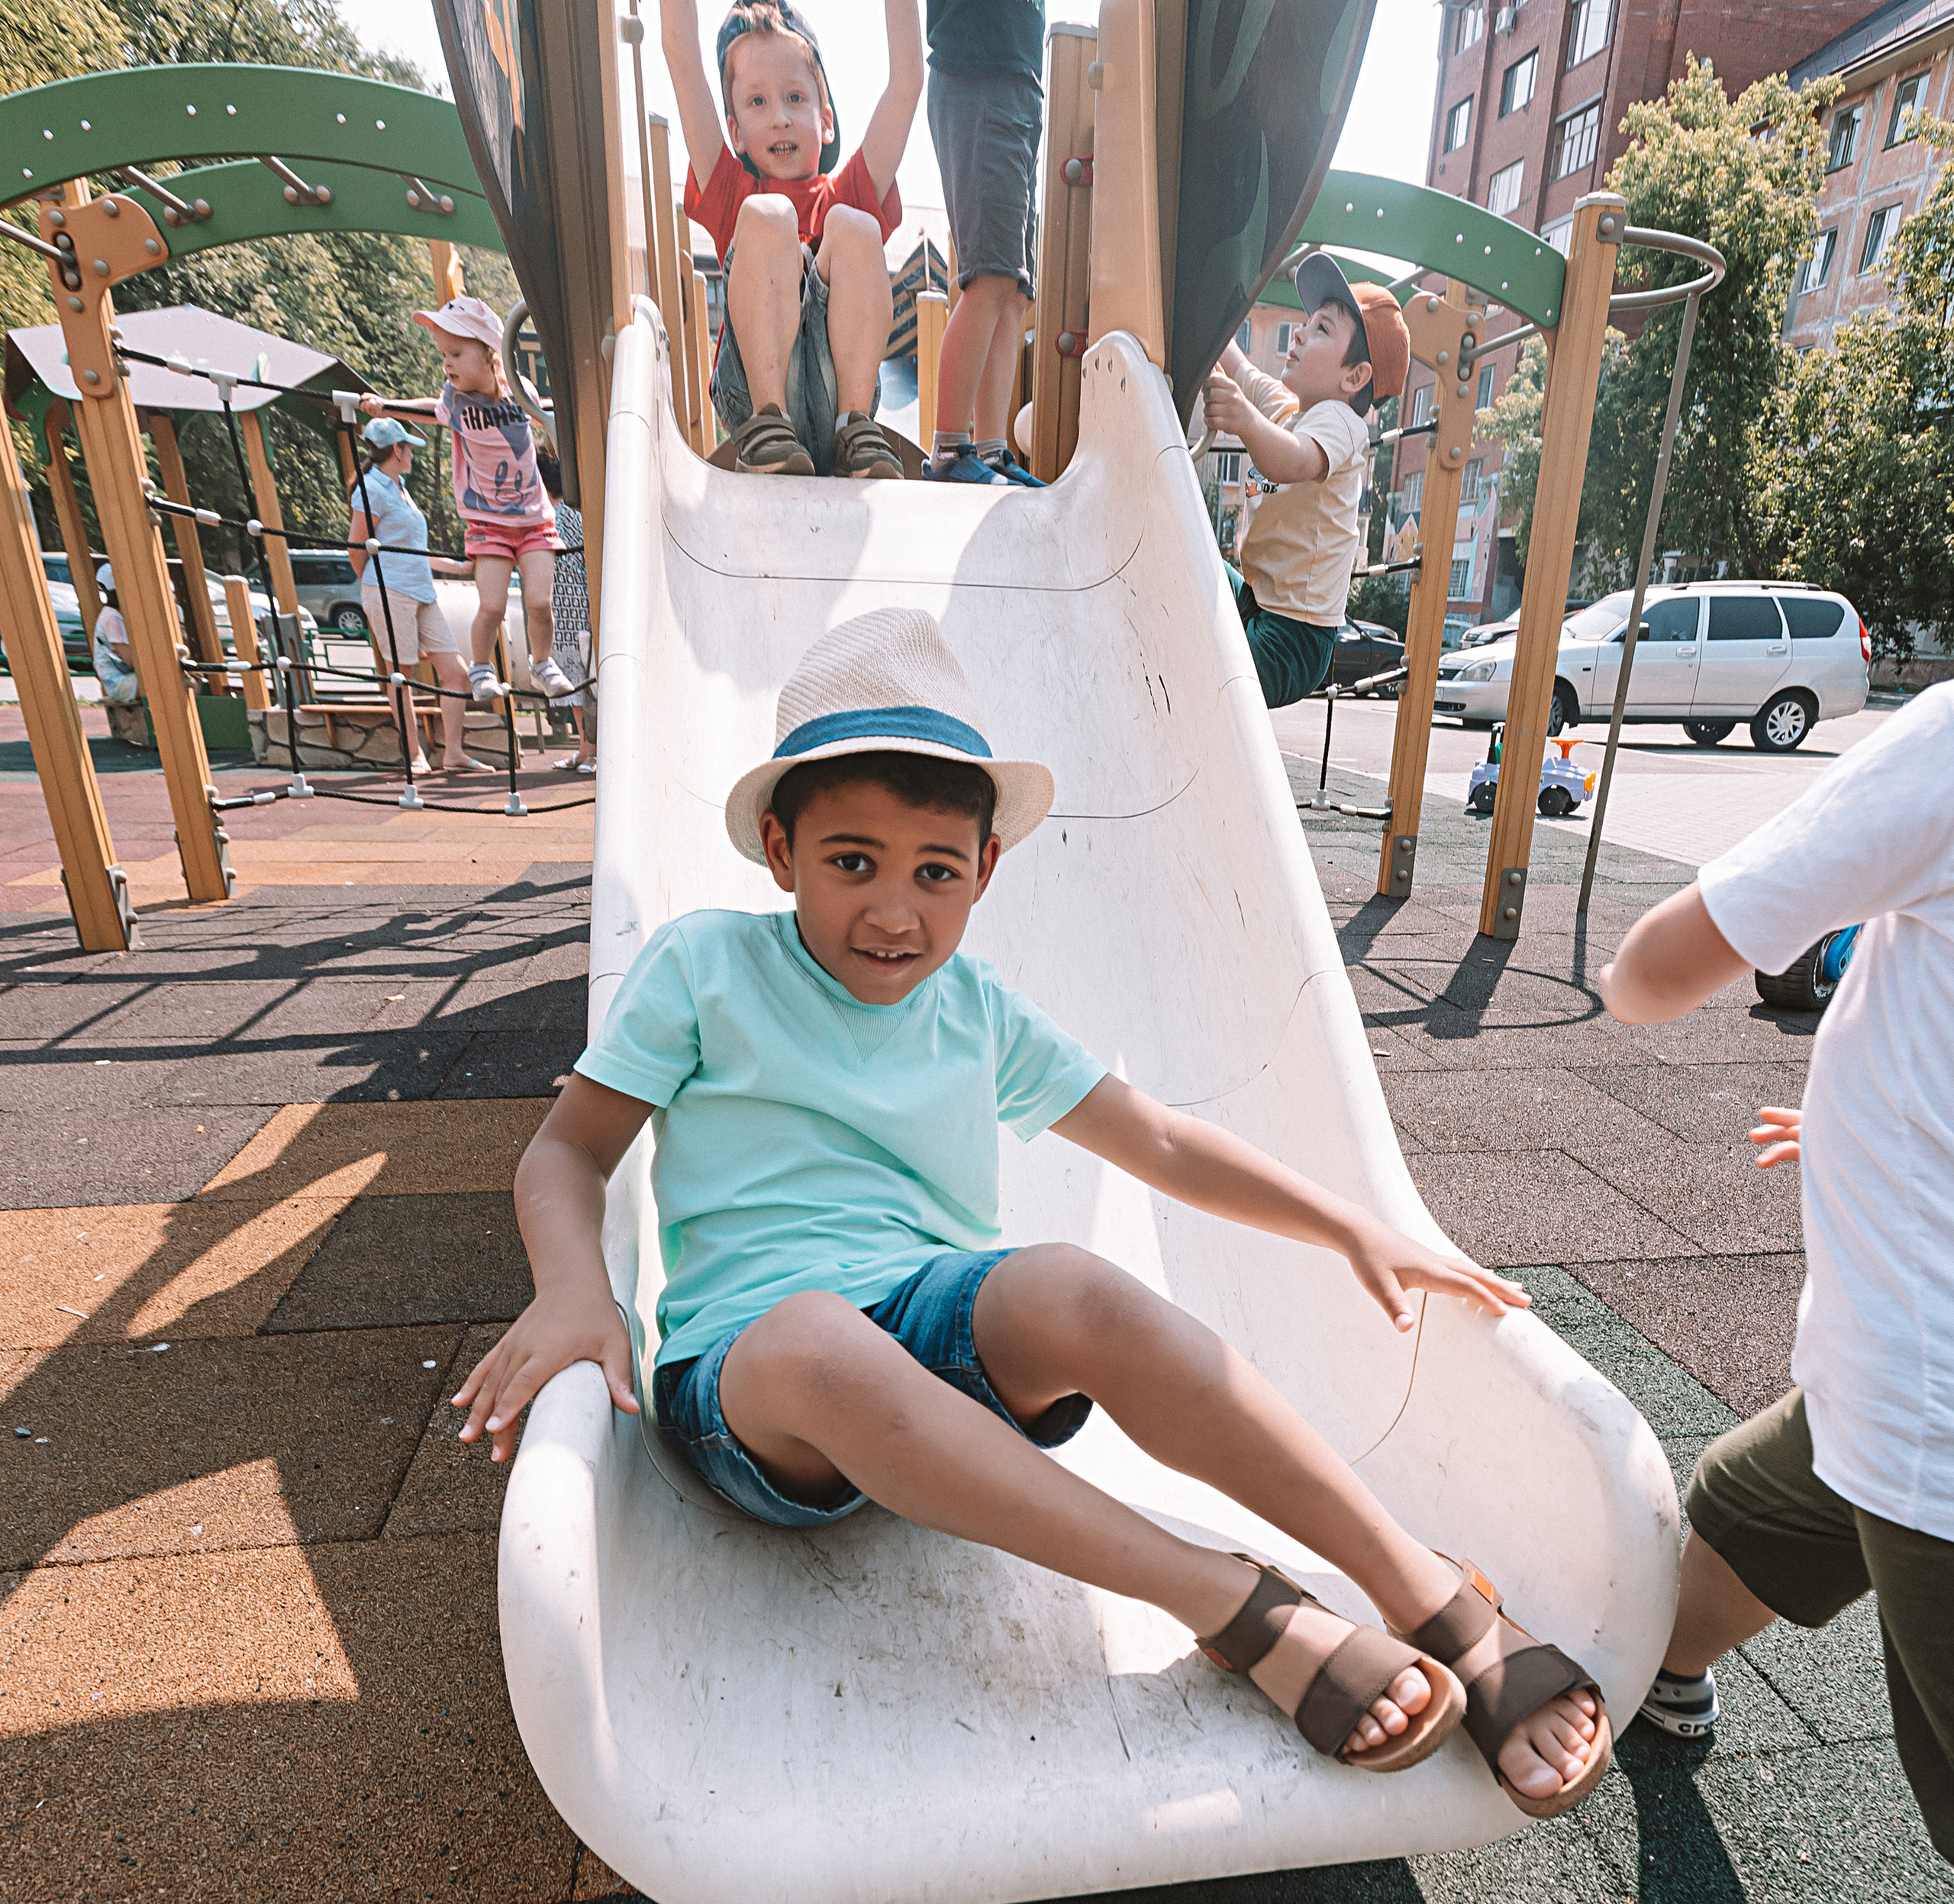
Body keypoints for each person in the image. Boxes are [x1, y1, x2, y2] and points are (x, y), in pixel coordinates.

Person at [455, 607, 1611, 1814]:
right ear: (781, 852)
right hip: (755, 1389)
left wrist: (1353, 1223)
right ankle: (1226, 1600)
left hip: (930, 1333)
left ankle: (1426, 1587)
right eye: (853, 863)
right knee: (813, 1338)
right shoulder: (707, 967)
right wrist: (575, 1291)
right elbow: (567, 1152)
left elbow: (1158, 1138)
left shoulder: (976, 1008)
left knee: (1073, 1282)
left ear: (986, 871)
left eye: (935, 873)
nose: (896, 913)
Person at [1600, 683, 1954, 1904]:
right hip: (1879, 1391)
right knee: (1734, 1518)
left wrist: (1652, 968)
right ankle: (1662, 1678)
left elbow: (1671, 957)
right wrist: (1872, 1113)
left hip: (1936, 1418)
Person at [647, 0, 920, 481]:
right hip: (754, 395)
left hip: (836, 401)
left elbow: (909, 79)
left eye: (796, 99)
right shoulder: (732, 191)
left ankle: (859, 429)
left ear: (826, 117)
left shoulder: (846, 193)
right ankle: (768, 423)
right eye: (758, 103)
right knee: (767, 221)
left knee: (854, 228)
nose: (780, 119)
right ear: (734, 129)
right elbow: (683, 60)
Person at [907, 0, 1091, 484]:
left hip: (1012, 80)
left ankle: (984, 450)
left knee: (1011, 288)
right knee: (985, 276)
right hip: (977, 71)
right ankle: (951, 450)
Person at [1202, 257, 1409, 708]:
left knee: (1209, 679)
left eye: (1322, 330)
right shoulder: (1287, 407)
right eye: (1307, 322)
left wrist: (1243, 420)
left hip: (1295, 639)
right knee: (1191, 556)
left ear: (1354, 377)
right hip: (1258, 602)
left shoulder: (1343, 425)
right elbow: (1238, 366)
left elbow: (1292, 461)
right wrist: (1207, 300)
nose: (1298, 332)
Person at [361, 296, 576, 707]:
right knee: (492, 606)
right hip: (488, 522)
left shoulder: (519, 393)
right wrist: (386, 405)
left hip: (533, 519)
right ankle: (481, 667)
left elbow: (549, 415)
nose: (447, 363)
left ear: (490, 354)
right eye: (444, 355)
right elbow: (431, 410)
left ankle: (543, 662)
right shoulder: (455, 402)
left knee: (539, 602)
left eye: (457, 353)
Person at [346, 418, 491, 779]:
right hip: (390, 591)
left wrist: (457, 567)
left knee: (456, 673)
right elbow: (356, 547)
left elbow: (413, 550)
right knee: (402, 674)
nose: (412, 454)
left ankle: (453, 752)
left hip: (421, 591)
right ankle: (414, 754)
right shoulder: (372, 488)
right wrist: (376, 584)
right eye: (408, 448)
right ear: (396, 450)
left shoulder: (401, 489)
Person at [537, 449, 593, 774]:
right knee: (584, 682)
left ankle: (589, 749)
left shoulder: (549, 517)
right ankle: (586, 749)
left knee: (576, 684)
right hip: (581, 604)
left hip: (564, 607)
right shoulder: (577, 514)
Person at [89, 561, 138, 706]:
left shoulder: (113, 614)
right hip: (119, 683)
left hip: (123, 678)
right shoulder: (112, 618)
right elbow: (131, 661)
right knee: (168, 682)